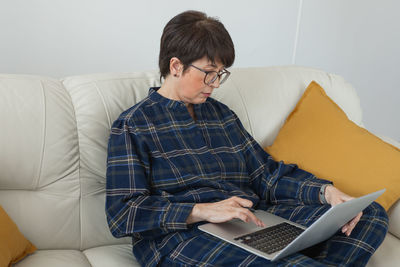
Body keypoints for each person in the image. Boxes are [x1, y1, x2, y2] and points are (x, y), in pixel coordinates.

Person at [106, 10, 388, 267]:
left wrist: (324, 192)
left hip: (251, 221)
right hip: (183, 237)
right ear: (177, 66)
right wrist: (201, 211)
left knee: (368, 213)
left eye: (221, 74)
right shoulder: (134, 124)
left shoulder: (221, 114)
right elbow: (123, 213)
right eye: (208, 74)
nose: (215, 85)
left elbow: (265, 175)